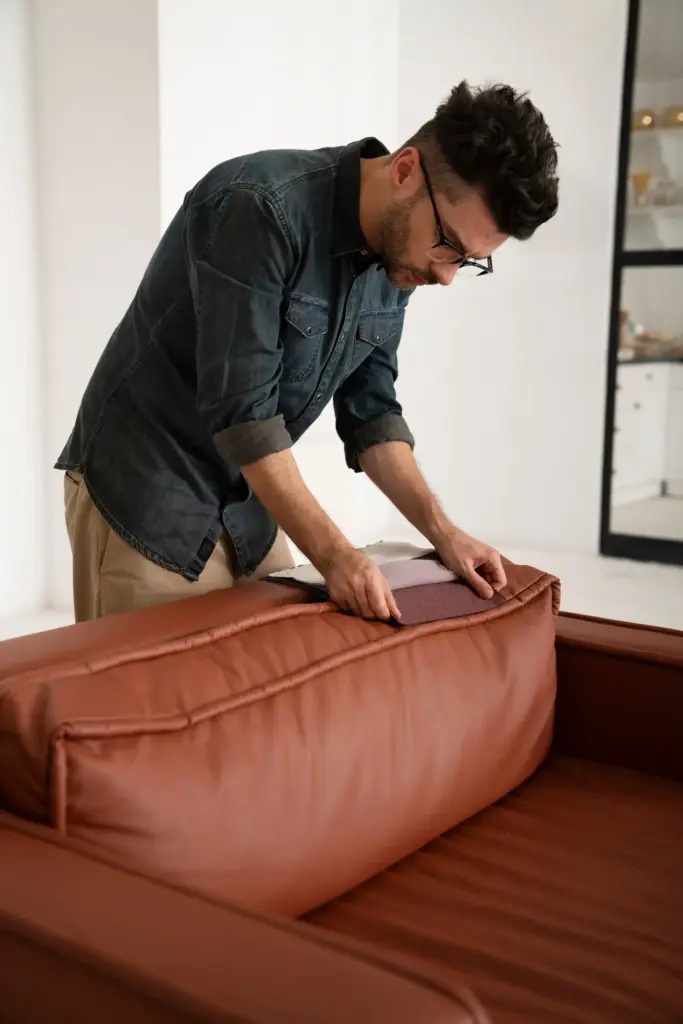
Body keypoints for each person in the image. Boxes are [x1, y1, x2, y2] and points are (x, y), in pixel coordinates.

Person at [57, 80, 559, 623]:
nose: (447, 276)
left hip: (249, 506)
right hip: (150, 495)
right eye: (449, 246)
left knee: (278, 669)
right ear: (405, 170)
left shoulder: (401, 258)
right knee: (156, 679)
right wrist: (336, 556)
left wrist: (444, 533)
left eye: (470, 262)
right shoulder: (260, 207)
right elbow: (245, 416)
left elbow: (372, 415)